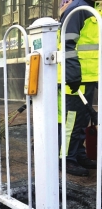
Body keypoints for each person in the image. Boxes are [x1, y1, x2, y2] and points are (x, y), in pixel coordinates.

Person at [58, 0, 99, 176]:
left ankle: (78, 154)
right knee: (72, 121)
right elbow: (67, 43)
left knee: (82, 121)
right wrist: (73, 73)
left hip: (89, 76)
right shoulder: (79, 9)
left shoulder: (92, 9)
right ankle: (66, 159)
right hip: (76, 77)